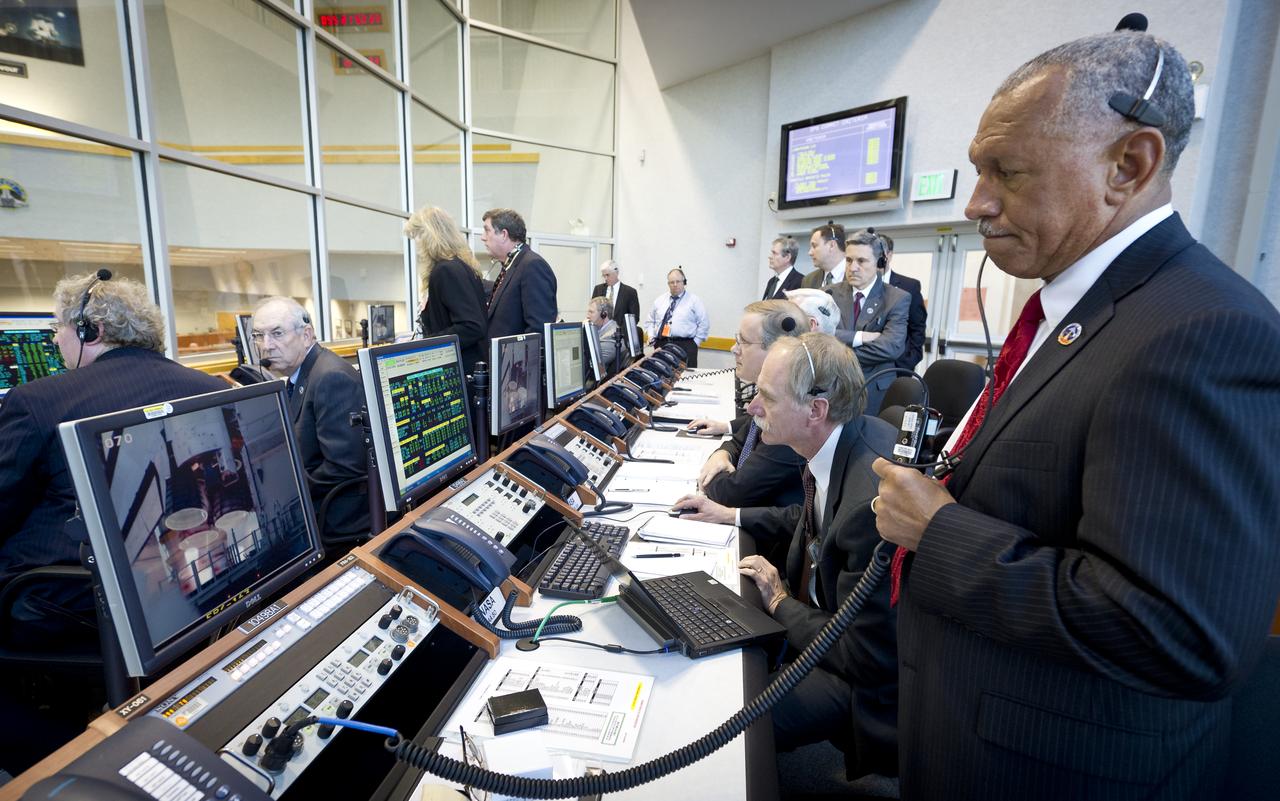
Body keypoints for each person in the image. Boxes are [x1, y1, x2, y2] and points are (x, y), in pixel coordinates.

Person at [872, 31, 1280, 801]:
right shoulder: (1071, 312)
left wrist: (940, 531)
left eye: (1008, 172)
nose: (976, 202)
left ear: (1129, 165)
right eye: (977, 169)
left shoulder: (1200, 329)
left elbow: (1180, 632)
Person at [673, 333, 898, 777]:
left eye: (767, 398)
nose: (753, 409)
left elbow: (863, 653)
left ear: (816, 410)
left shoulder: (868, 504)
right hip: (827, 630)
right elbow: (809, 516)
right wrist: (732, 515)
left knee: (712, 727)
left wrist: (779, 604)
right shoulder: (839, 439)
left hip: (860, 682)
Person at [0, 273, 228, 647]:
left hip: (73, 593)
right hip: (181, 576)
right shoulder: (210, 387)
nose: (55, 338)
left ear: (92, 331)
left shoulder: (36, 401)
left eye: (59, 326)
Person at [252, 297, 368, 539]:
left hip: (336, 520)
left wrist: (286, 491)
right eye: (258, 336)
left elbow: (344, 467)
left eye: (277, 333)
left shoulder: (330, 378)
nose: (266, 345)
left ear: (306, 335)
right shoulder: (302, 374)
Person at [695, 300, 807, 517]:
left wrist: (711, 474)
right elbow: (739, 440)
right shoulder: (767, 399)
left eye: (742, 341)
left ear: (777, 350)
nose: (733, 349)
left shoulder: (789, 413)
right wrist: (721, 454)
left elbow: (732, 493)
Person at [828, 229, 909, 414]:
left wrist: (836, 354)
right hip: (833, 388)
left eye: (862, 261)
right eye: (849, 260)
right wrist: (859, 337)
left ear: (880, 263)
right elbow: (818, 336)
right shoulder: (828, 294)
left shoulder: (897, 298)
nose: (853, 267)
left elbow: (891, 347)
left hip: (872, 391)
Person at [404, 206, 488, 374]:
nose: (417, 245)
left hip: (458, 369)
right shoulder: (463, 266)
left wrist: (425, 345)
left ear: (429, 235)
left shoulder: (446, 271)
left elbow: (471, 326)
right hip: (473, 365)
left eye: (418, 237)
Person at [482, 208, 557, 339]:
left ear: (504, 234)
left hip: (517, 359)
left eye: (487, 231)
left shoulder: (532, 266)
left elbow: (538, 330)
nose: (483, 237)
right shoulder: (512, 265)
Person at [875, 234, 927, 373]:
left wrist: (907, 362)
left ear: (889, 255)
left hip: (898, 367)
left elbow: (918, 328)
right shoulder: (858, 285)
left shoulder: (909, 286)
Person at [643, 267, 709, 367]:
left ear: (684, 282)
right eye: (671, 282)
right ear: (668, 284)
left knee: (686, 379)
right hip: (662, 345)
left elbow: (704, 323)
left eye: (678, 281)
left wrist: (695, 343)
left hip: (686, 346)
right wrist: (652, 337)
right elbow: (650, 322)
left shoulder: (694, 301)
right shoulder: (659, 301)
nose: (675, 285)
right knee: (663, 378)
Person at [591, 260, 640, 326]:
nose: (605, 278)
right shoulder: (598, 289)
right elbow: (592, 312)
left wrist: (619, 332)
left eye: (608, 275)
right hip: (600, 332)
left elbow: (634, 318)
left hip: (621, 333)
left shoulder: (630, 292)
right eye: (603, 276)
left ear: (616, 273)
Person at [801, 222, 846, 288]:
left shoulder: (858, 275)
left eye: (814, 246)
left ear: (831, 245)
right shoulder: (808, 280)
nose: (810, 252)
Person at [585, 296, 619, 372]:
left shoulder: (610, 337)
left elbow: (591, 364)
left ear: (604, 314)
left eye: (591, 312)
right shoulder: (601, 330)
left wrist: (583, 333)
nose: (587, 316)